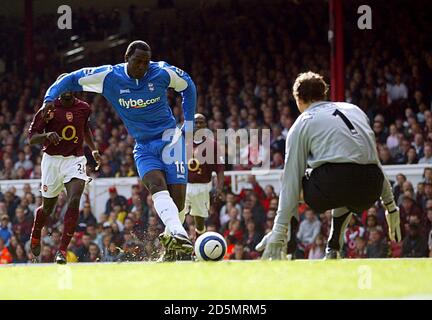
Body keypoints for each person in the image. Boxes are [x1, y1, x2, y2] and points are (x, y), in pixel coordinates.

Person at [41, 40, 196, 260]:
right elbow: (71, 78)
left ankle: (171, 244)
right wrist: (49, 99)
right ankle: (179, 234)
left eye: (145, 62)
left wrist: (188, 126)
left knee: (178, 201)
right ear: (126, 58)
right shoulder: (109, 77)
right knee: (155, 185)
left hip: (171, 141)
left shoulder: (161, 72)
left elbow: (188, 85)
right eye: (138, 61)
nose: (142, 66)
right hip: (143, 146)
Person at [256, 71, 401, 260]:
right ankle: (333, 247)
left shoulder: (302, 123)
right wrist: (391, 206)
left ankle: (286, 245)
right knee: (349, 183)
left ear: (298, 98)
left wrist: (278, 228)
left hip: (334, 183)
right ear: (323, 93)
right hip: (370, 187)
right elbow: (373, 161)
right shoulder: (355, 110)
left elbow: (291, 180)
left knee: (294, 181)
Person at [28, 75, 102, 264]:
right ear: (57, 89)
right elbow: (32, 138)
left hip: (75, 159)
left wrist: (93, 149)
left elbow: (85, 129)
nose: (66, 89)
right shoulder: (49, 109)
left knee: (75, 199)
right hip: (52, 161)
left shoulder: (84, 108)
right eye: (62, 87)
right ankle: (36, 232)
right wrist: (46, 134)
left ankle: (61, 250)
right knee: (48, 208)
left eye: (69, 85)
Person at [184, 114, 224, 236]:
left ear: (205, 125)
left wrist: (219, 188)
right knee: (178, 214)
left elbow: (220, 169)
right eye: (196, 122)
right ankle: (174, 246)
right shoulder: (183, 142)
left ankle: (198, 245)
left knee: (199, 220)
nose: (198, 125)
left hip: (202, 186)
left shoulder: (213, 144)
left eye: (201, 122)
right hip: (184, 185)